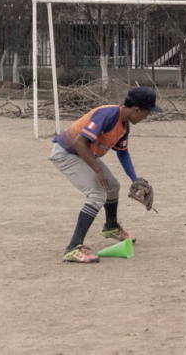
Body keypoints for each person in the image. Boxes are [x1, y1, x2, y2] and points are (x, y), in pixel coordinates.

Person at [49, 86, 162, 263]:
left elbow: (122, 153)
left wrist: (135, 179)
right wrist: (98, 171)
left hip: (83, 153)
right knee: (97, 193)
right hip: (67, 153)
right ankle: (73, 248)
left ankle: (111, 227)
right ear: (136, 110)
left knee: (113, 186)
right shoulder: (107, 115)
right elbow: (79, 142)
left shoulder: (124, 126)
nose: (147, 116)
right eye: (147, 112)